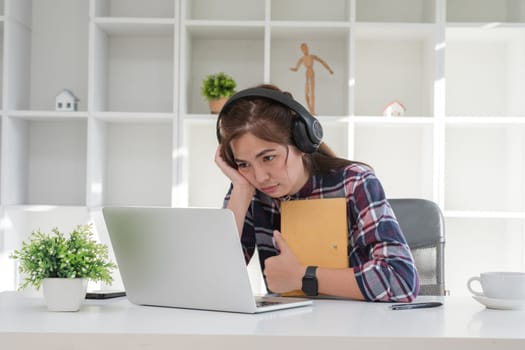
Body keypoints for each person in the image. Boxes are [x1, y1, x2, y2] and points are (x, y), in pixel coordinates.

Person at [214, 84, 419, 302]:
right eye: (244, 164)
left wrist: (302, 277)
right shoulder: (246, 187)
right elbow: (214, 280)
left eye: (268, 158)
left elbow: (401, 281)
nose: (260, 176)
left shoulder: (354, 182)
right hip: (284, 329)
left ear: (302, 142)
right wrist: (241, 191)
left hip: (356, 325)